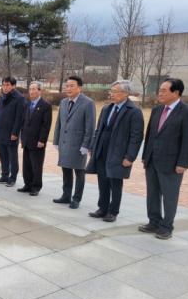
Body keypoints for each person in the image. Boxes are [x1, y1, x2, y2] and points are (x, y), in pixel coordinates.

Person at [140, 78, 188, 240]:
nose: (159, 93)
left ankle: (167, 226)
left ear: (176, 93)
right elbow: (150, 135)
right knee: (152, 193)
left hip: (172, 164)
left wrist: (183, 163)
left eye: (164, 90)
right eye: (159, 90)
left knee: (169, 196)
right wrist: (145, 156)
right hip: (152, 160)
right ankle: (154, 221)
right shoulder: (157, 110)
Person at [86, 80, 144, 222]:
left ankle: (113, 211)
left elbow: (136, 137)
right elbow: (98, 130)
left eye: (115, 92)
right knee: (103, 181)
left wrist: (130, 157)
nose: (111, 94)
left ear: (125, 93)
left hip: (118, 153)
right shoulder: (107, 108)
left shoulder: (134, 112)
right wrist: (93, 147)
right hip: (101, 150)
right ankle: (102, 208)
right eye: (111, 91)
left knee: (115, 183)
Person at [53, 76, 95, 209]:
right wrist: (56, 140)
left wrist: (86, 145)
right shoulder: (64, 102)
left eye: (72, 86)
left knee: (79, 172)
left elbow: (90, 126)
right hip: (64, 143)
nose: (68, 88)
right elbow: (58, 123)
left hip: (78, 145)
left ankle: (76, 198)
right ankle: (66, 195)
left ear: (79, 87)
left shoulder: (88, 103)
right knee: (66, 170)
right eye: (67, 86)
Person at [18, 82, 52, 196]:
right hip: (27, 140)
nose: (31, 91)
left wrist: (42, 140)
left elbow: (46, 125)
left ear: (39, 90)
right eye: (30, 89)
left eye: (34, 89)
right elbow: (24, 123)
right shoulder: (28, 104)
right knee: (26, 165)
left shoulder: (45, 105)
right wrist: (22, 138)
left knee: (36, 166)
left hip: (37, 141)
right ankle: (27, 185)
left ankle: (36, 187)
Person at [0, 77, 25, 187]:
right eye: (3, 85)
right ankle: (4, 175)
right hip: (0, 131)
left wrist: (15, 133)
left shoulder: (19, 98)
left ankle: (12, 178)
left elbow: (19, 118)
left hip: (11, 134)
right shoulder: (1, 97)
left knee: (12, 157)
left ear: (13, 86)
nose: (5, 87)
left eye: (8, 85)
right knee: (3, 155)